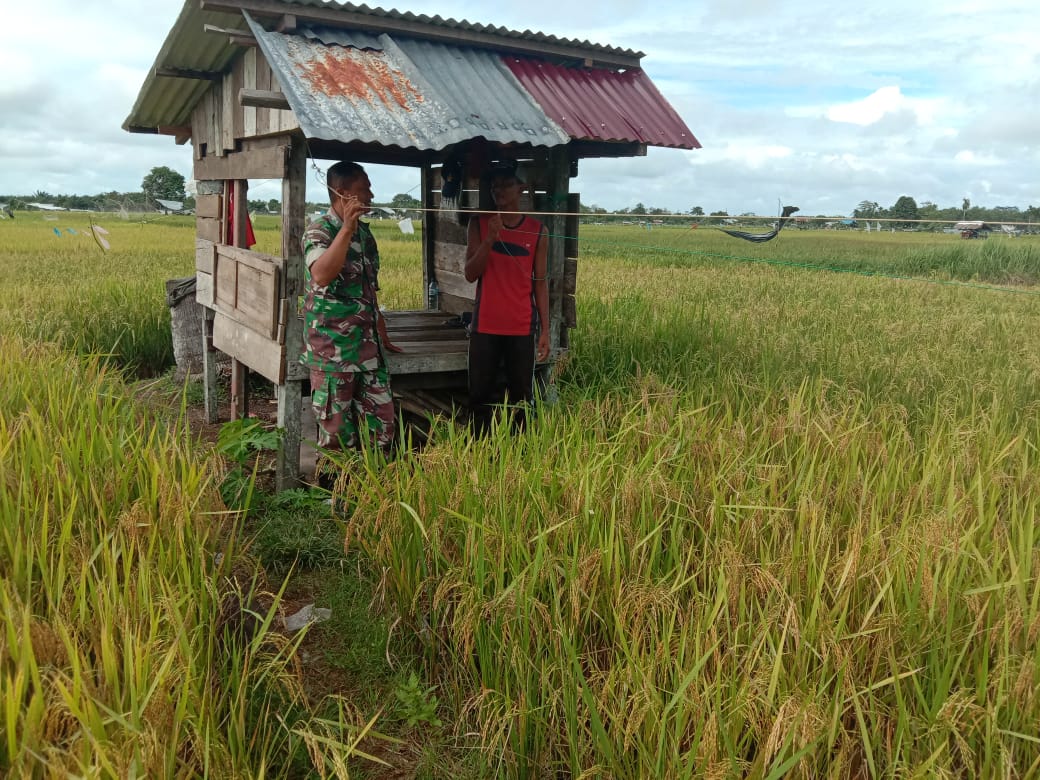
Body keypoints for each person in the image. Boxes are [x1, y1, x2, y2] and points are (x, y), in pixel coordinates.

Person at [301, 161, 402, 475]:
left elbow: (368, 290)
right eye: (364, 188)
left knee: (382, 427)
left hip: (370, 352)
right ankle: (335, 502)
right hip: (334, 354)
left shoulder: (365, 235)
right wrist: (345, 229)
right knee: (336, 436)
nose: (371, 193)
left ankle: (375, 495)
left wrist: (382, 333)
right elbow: (321, 274)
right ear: (343, 194)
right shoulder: (320, 230)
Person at [464, 162, 550, 434]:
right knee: (480, 393)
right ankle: (478, 447)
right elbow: (470, 273)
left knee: (522, 396)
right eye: (495, 185)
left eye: (507, 184)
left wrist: (546, 330)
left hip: (521, 326)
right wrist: (490, 239)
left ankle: (520, 451)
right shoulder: (479, 224)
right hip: (485, 325)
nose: (500, 190)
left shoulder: (538, 231)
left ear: (521, 189)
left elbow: (540, 283)